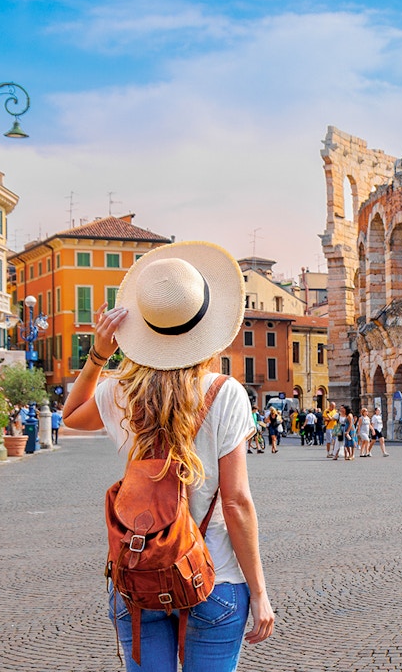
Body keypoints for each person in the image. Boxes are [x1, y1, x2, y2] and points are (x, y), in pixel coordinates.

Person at [60, 242, 274, 668]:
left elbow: (70, 416)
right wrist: (261, 593)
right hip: (214, 578)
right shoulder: (224, 392)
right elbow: (235, 502)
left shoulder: (122, 390)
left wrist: (100, 352)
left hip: (140, 573)